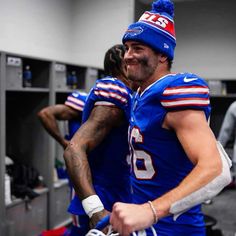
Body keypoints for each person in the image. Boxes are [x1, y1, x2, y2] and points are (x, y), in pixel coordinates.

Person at [109, 0, 232, 235]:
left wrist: (151, 210)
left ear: (162, 54)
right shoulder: (140, 94)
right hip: (144, 225)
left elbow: (217, 170)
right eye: (127, 48)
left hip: (174, 229)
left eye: (137, 48)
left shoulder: (173, 91)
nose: (127, 56)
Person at [63, 44, 135, 235]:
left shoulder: (130, 94)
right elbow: (73, 149)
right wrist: (95, 208)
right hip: (104, 192)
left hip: (118, 188)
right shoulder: (114, 92)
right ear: (124, 67)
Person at [37, 90, 87, 234]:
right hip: (80, 172)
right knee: (81, 224)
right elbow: (45, 114)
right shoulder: (79, 106)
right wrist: (63, 142)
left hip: (91, 171)